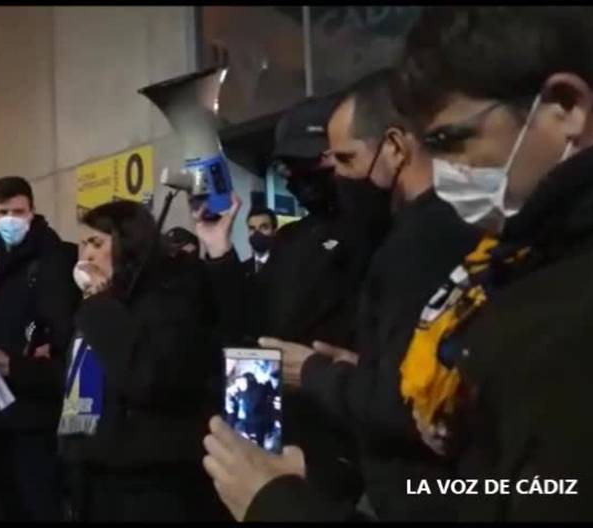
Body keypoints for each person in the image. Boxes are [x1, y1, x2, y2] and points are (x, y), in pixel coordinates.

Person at [390, 6, 593, 521]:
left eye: (452, 141)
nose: (446, 174)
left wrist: (284, 504)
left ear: (566, 106)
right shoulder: (532, 255)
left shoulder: (577, 315)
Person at [259, 68, 482, 521]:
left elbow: (414, 406)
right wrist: (364, 369)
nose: (336, 175)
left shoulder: (421, 242)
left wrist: (314, 372)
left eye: (344, 159)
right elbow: (417, 372)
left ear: (396, 147)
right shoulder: (429, 230)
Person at [196, 94, 380, 510]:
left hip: (349, 446)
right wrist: (221, 253)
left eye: (311, 163)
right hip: (279, 437)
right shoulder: (291, 240)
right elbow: (252, 331)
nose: (300, 176)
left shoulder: (379, 231)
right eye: (289, 167)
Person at [59, 200, 227, 522]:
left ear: (128, 244)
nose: (87, 256)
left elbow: (149, 378)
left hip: (151, 480)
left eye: (97, 244)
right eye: (83, 245)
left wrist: (101, 308)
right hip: (94, 472)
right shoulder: (98, 304)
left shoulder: (168, 299)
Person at [0, 176, 80, 521]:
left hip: (34, 410)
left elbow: (62, 333)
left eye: (18, 212)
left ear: (32, 211)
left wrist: (33, 358)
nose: (10, 220)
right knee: (9, 501)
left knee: (38, 501)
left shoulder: (52, 259)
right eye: (2, 211)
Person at [244, 206, 278, 275]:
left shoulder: (288, 264)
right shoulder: (242, 269)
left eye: (264, 227)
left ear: (274, 231)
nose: (257, 233)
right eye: (252, 228)